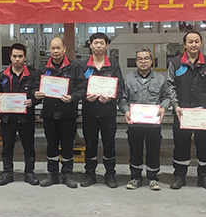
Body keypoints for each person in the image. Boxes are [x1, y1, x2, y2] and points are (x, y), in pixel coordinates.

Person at [166, 31, 206, 190]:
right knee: (181, 144)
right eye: (190, 42)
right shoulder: (175, 63)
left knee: (204, 145)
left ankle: (204, 177)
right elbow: (170, 85)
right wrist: (176, 106)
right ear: (184, 45)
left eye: (196, 41)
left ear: (201, 43)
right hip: (182, 112)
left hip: (203, 112)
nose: (193, 44)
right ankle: (179, 176)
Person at [34, 36, 86, 188]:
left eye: (58, 48)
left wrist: (72, 97)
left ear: (64, 49)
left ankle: (67, 175)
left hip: (67, 114)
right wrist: (35, 94)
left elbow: (82, 87)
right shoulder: (43, 69)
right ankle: (52, 174)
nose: (55, 51)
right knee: (51, 145)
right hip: (49, 114)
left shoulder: (75, 67)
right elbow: (34, 87)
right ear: (49, 50)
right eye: (53, 48)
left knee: (67, 145)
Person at [118, 48, 170, 191]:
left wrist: (163, 108)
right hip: (135, 124)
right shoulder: (128, 79)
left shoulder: (160, 79)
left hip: (153, 124)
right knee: (135, 150)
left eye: (146, 58)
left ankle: (153, 178)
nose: (143, 61)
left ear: (151, 61)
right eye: (140, 59)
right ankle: (135, 177)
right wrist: (126, 110)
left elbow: (166, 97)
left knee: (154, 150)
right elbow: (122, 99)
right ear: (136, 62)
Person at [79, 32, 124, 188]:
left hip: (108, 114)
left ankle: (110, 174)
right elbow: (78, 87)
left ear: (106, 45)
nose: (98, 46)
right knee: (90, 144)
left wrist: (111, 98)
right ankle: (90, 174)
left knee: (109, 144)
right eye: (95, 43)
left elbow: (120, 87)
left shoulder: (113, 65)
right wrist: (85, 96)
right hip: (89, 113)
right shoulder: (83, 66)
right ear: (90, 45)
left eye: (101, 43)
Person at [0, 42, 40, 186]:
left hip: (26, 118)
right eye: (15, 56)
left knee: (29, 147)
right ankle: (7, 173)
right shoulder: (2, 76)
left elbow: (38, 94)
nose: (17, 59)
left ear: (25, 57)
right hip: (7, 119)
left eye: (20, 56)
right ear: (10, 57)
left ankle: (29, 173)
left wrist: (33, 101)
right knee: (7, 147)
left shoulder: (32, 75)